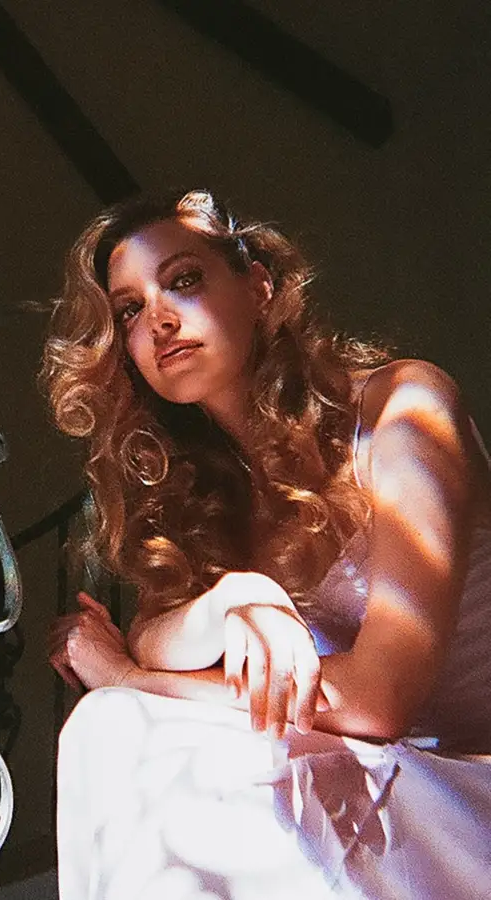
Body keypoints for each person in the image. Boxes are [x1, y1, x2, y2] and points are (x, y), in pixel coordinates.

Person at [41, 189, 491, 899]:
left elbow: (380, 699)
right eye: (129, 311)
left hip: (473, 800)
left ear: (258, 285)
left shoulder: (404, 406)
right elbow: (154, 635)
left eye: (184, 280)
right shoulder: (213, 496)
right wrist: (234, 599)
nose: (158, 319)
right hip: (400, 797)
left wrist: (130, 680)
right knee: (111, 727)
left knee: (125, 714)